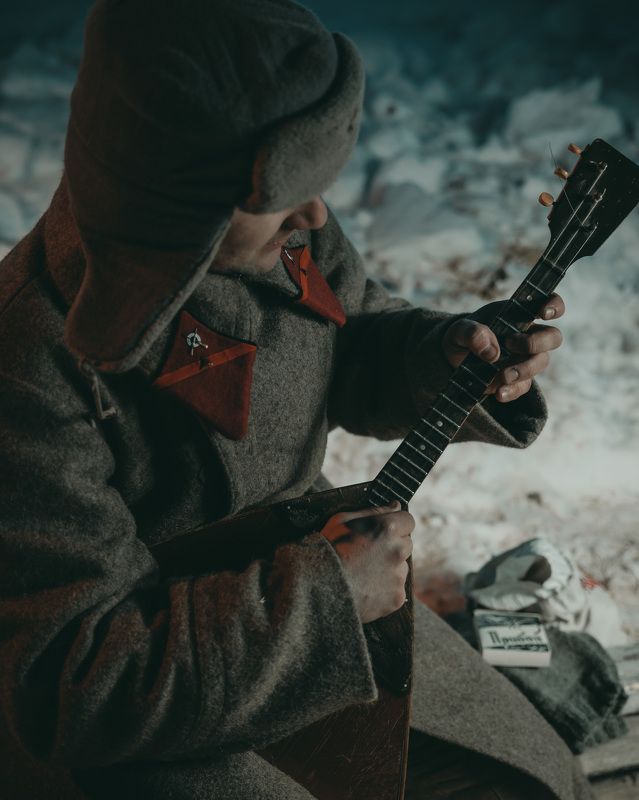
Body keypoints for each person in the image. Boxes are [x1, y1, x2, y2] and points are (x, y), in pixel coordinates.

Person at [0, 0, 592, 798]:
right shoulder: (27, 362)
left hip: (305, 578)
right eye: (285, 198)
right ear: (182, 204)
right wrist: (326, 599)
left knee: (530, 783)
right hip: (173, 690)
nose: (314, 214)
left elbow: (347, 341)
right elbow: (78, 688)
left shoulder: (281, 226)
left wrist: (442, 355)